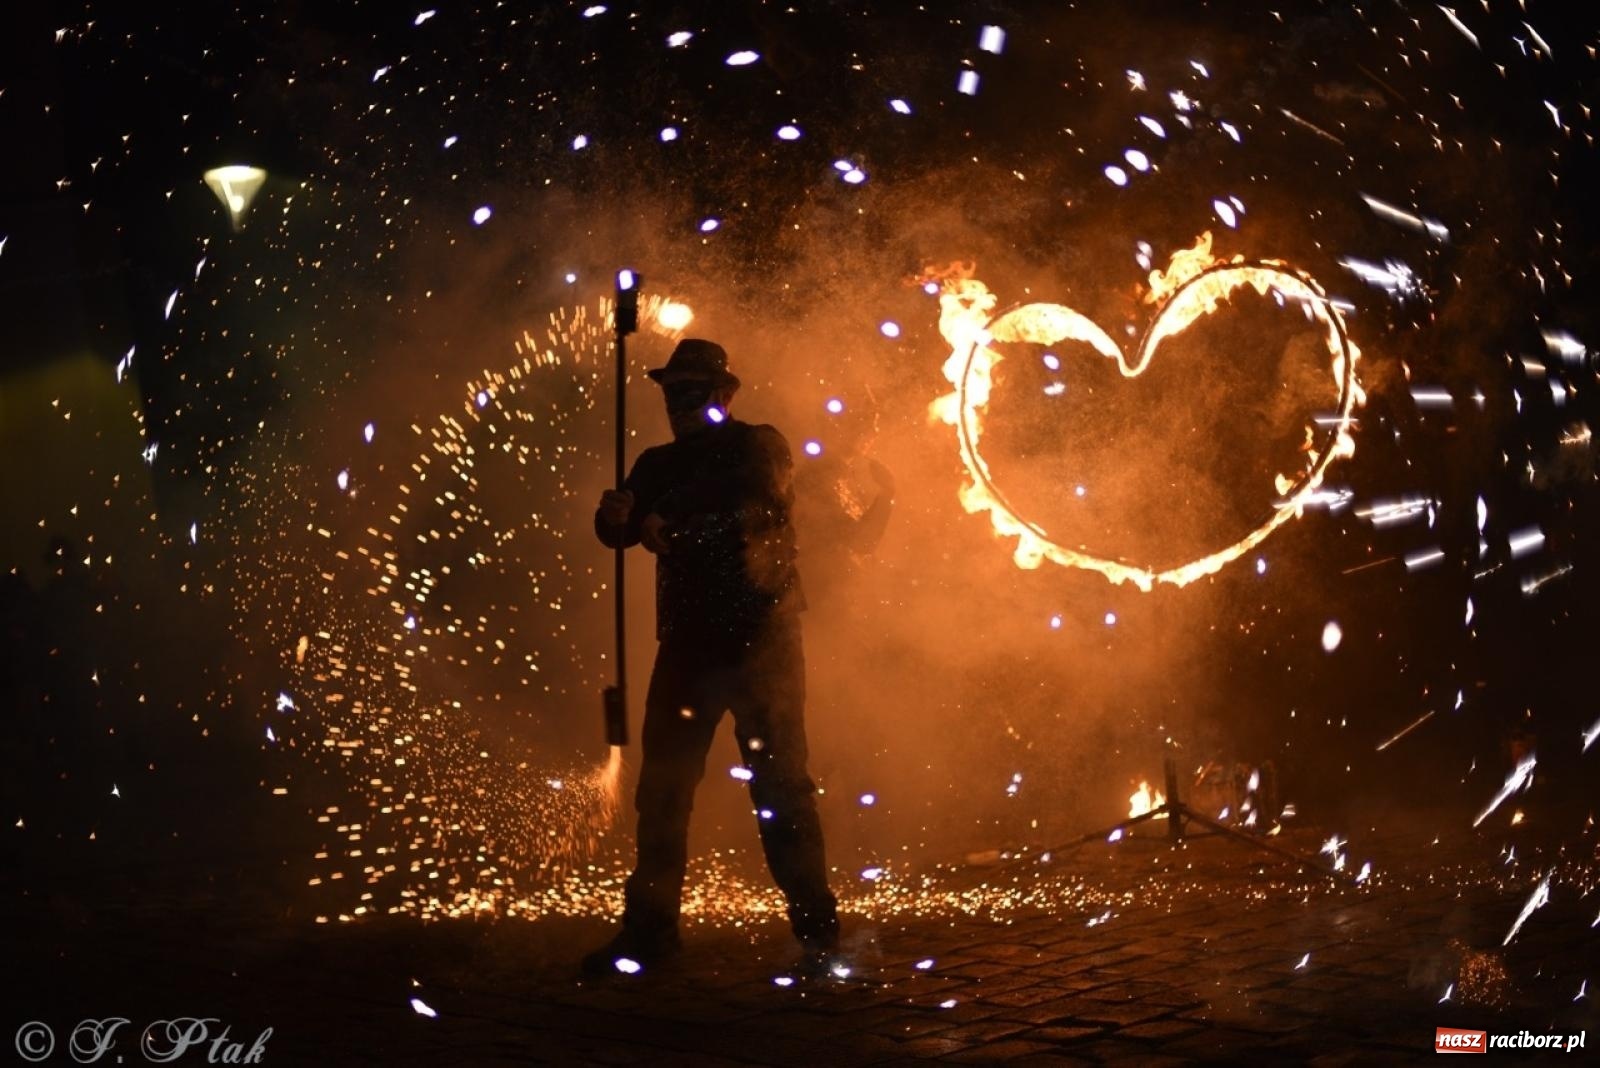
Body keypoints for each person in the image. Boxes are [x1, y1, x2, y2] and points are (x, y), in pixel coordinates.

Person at [584, 338, 839, 976]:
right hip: (689, 648)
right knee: (662, 791)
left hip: (763, 640)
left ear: (725, 394)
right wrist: (614, 516)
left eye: (693, 391)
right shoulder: (654, 462)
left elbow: (756, 489)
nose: (680, 404)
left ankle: (818, 933)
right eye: (672, 393)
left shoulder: (760, 444)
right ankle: (649, 931)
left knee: (781, 789)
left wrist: (665, 511)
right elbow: (620, 531)